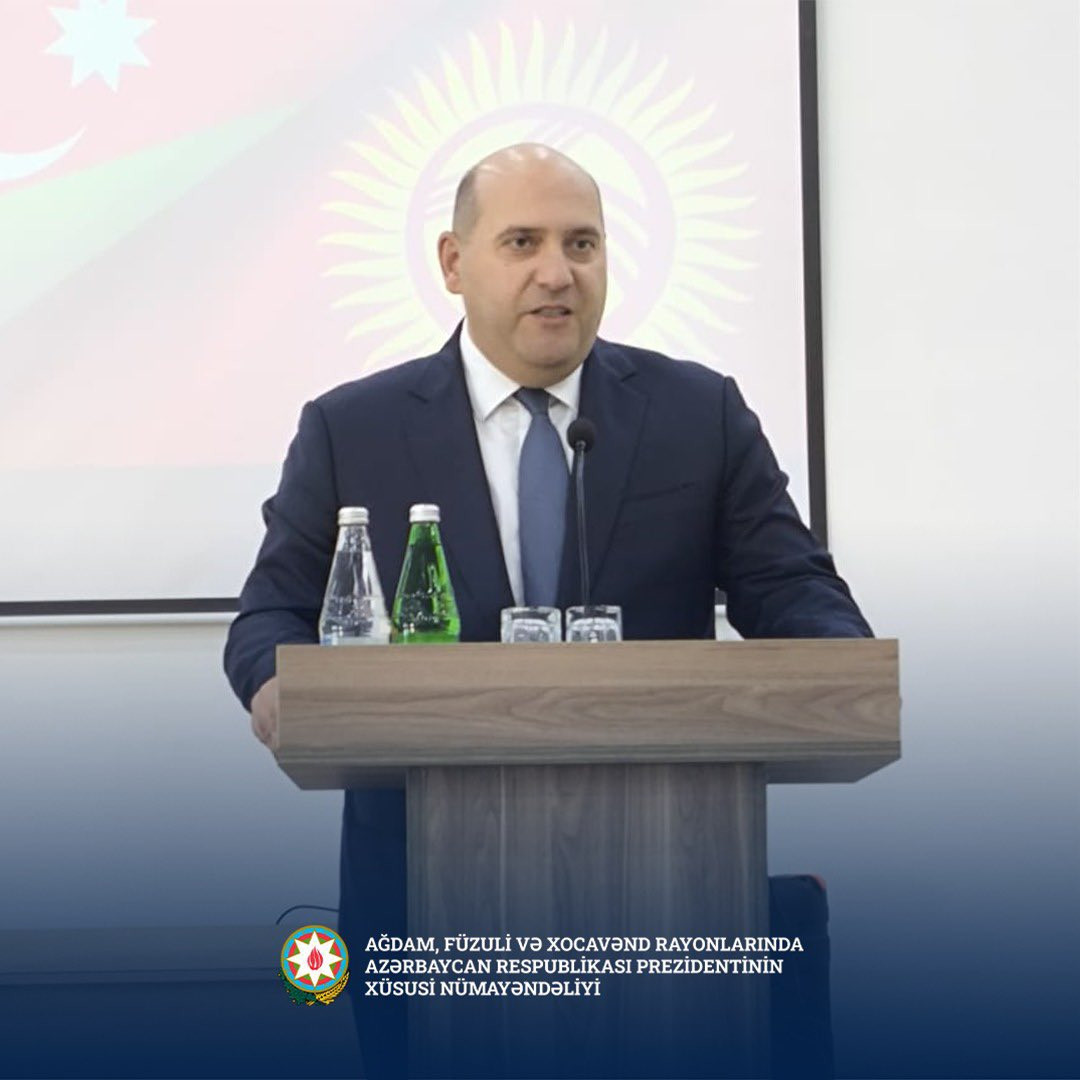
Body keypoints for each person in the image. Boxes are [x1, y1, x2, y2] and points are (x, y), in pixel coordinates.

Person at [224, 144, 870, 1077]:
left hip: (670, 887)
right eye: (522, 242)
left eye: (582, 244)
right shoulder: (353, 427)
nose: (557, 272)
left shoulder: (698, 414)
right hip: (424, 896)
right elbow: (268, 618)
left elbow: (793, 588)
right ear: (454, 262)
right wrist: (278, 685)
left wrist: (841, 669)